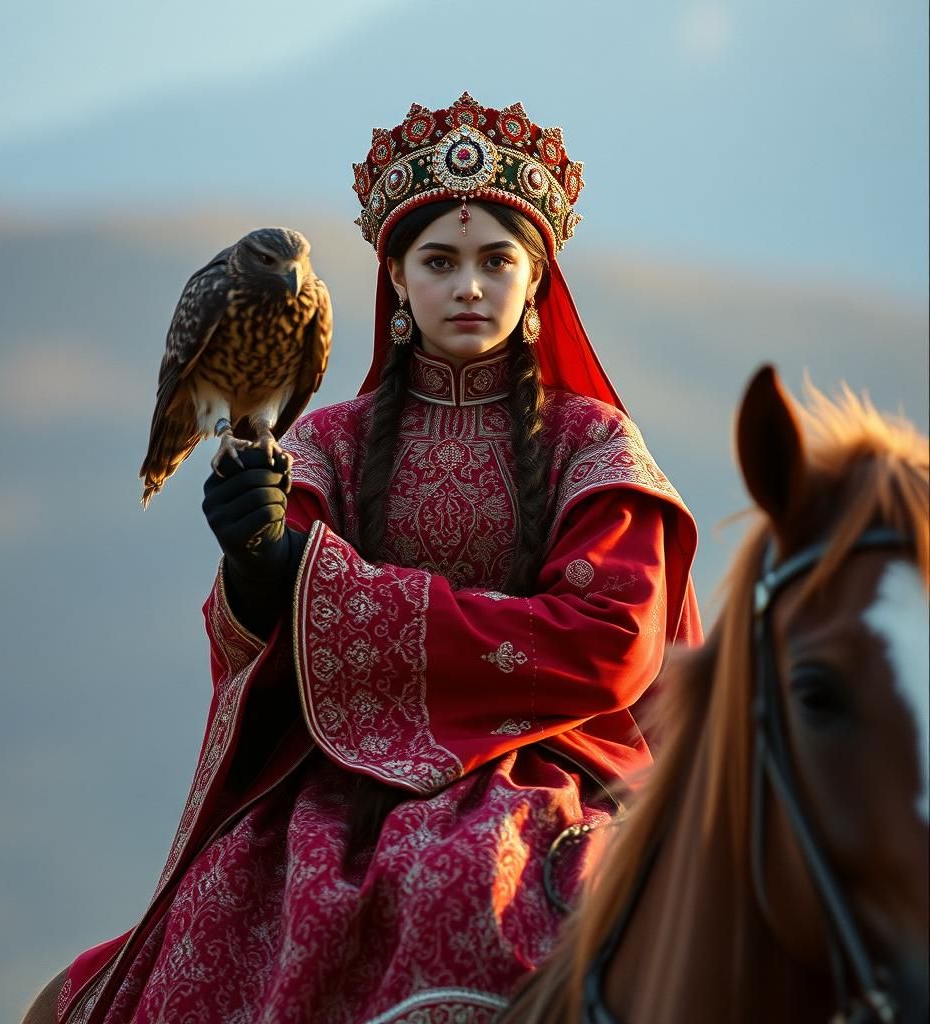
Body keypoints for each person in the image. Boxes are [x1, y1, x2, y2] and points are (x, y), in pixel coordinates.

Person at [47, 92, 702, 1024]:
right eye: (439, 262)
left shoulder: (594, 445)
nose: (468, 286)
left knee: (469, 883)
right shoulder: (328, 444)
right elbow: (254, 643)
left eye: (496, 261)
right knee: (217, 927)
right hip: (339, 788)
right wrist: (257, 573)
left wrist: (325, 586)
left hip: (550, 772)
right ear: (396, 280)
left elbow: (614, 641)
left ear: (536, 282)